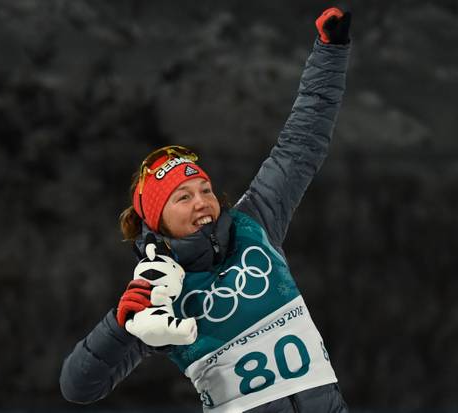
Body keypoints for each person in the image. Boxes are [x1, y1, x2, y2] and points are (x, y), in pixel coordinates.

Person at [60, 6, 352, 412]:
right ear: (157, 221)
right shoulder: (158, 293)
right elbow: (78, 387)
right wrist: (118, 326)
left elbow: (301, 144)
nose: (202, 202)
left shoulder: (255, 222)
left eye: (205, 189)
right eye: (183, 197)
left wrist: (330, 51)